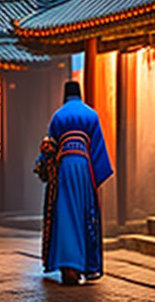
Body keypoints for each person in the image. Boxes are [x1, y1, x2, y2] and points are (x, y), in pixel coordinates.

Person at [35, 81, 113, 286]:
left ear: (65, 95)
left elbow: (50, 145)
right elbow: (97, 150)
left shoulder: (58, 116)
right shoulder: (91, 115)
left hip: (64, 166)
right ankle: (84, 264)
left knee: (65, 214)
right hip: (85, 166)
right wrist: (96, 176)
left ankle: (69, 267)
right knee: (84, 213)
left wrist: (42, 165)